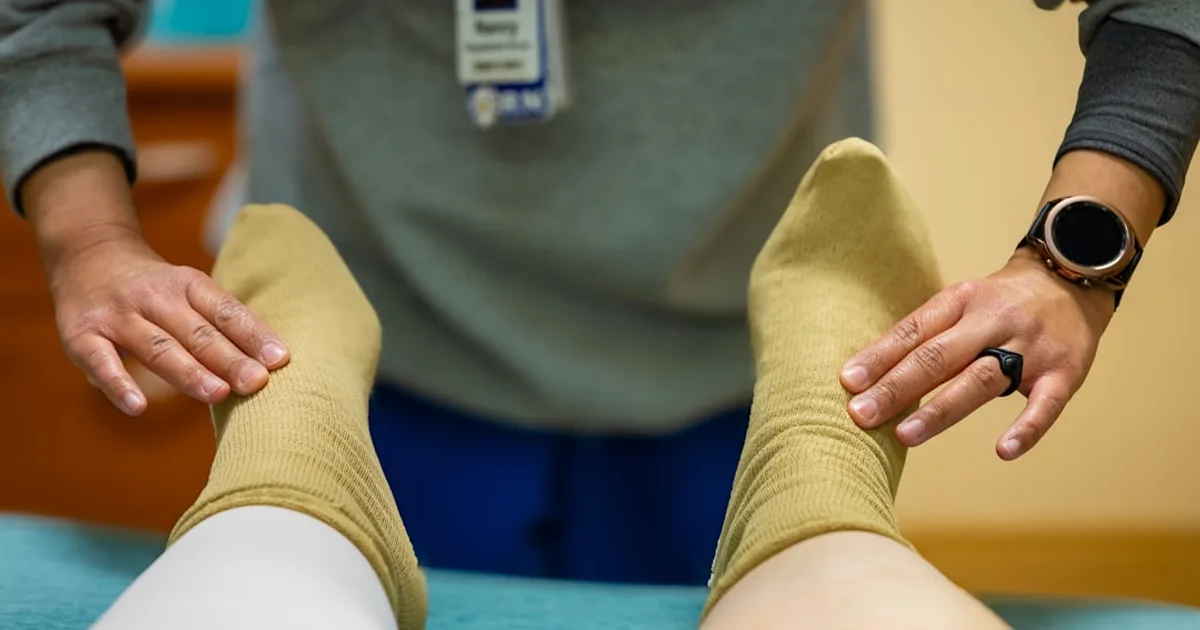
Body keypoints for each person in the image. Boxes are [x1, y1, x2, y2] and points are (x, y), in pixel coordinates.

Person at [3, 0, 1199, 585]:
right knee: (293, 527)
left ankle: (809, 493)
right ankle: (294, 455)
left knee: (807, 542)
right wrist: (91, 239)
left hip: (719, 357)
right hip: (382, 344)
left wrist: (1074, 259)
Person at [92, 141, 1012, 629]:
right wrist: (84, 231)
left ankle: (294, 484)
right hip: (412, 295)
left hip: (698, 329)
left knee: (260, 551)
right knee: (836, 567)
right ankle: (806, 517)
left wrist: (1087, 241)